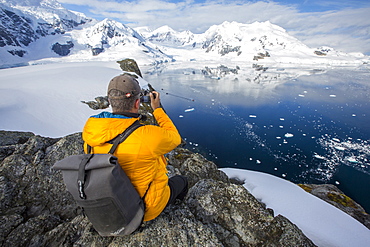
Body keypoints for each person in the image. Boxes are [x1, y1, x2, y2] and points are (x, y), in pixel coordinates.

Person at [82, 74, 188, 222]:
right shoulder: (146, 135)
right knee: (182, 182)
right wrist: (157, 109)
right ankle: (180, 214)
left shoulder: (91, 132)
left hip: (109, 204)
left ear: (111, 101)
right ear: (137, 102)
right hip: (141, 209)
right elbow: (175, 137)